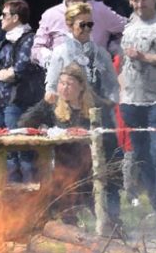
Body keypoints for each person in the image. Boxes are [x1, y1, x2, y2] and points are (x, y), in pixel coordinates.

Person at [18, 64, 114, 224]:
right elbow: (24, 123)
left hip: (90, 164)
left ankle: (106, 224)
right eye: (61, 83)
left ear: (81, 86)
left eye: (69, 84)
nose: (64, 88)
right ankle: (66, 224)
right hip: (63, 165)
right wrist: (43, 103)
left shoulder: (96, 107)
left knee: (91, 184)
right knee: (60, 180)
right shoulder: (54, 107)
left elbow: (110, 136)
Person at [119, 0, 156, 222]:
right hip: (131, 100)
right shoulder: (128, 25)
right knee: (141, 155)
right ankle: (155, 205)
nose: (139, 3)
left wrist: (145, 56)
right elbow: (122, 61)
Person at [0, 0, 44, 181]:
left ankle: (29, 197)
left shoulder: (29, 39)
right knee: (2, 151)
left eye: (4, 14)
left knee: (21, 150)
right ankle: (9, 198)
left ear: (16, 17)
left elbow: (16, 72)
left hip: (17, 102)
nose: (0, 17)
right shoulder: (4, 41)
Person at [32, 0, 127, 68]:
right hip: (62, 78)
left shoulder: (100, 10)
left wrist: (115, 47)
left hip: (96, 77)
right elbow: (37, 48)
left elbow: (128, 29)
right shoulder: (50, 15)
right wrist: (50, 58)